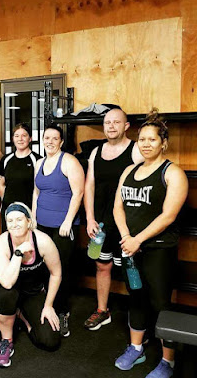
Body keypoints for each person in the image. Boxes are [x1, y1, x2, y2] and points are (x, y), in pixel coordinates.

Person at [113, 110, 188, 378]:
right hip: (131, 248)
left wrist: (138, 240)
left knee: (160, 303)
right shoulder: (129, 170)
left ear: (163, 143)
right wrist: (126, 237)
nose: (145, 144)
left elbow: (168, 216)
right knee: (135, 296)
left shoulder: (173, 173)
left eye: (152, 139)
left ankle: (168, 361)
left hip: (158, 250)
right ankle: (136, 348)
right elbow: (118, 207)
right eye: (141, 139)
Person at [83, 107, 143, 331]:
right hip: (100, 223)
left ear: (126, 126)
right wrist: (90, 218)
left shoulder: (136, 151)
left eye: (116, 122)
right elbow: (89, 186)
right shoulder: (95, 152)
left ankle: (139, 317)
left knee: (131, 269)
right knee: (102, 265)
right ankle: (102, 310)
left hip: (127, 225)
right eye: (107, 122)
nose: (111, 126)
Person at [0, 202, 61, 368]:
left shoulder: (43, 241)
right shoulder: (1, 243)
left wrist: (48, 305)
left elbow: (56, 274)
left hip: (33, 293)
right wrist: (18, 253)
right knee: (5, 293)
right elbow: (7, 282)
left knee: (50, 341)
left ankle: (22, 317)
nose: (14, 224)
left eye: (19, 219)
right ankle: (6, 340)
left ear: (28, 221)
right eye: (10, 221)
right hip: (8, 292)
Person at [32, 124, 84, 337]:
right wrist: (33, 218)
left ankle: (62, 312)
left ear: (61, 142)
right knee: (44, 266)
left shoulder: (69, 161)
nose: (50, 142)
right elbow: (36, 192)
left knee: (60, 268)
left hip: (62, 226)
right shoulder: (39, 162)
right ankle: (48, 305)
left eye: (55, 138)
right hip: (42, 224)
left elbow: (78, 192)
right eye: (47, 138)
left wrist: (68, 221)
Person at [0, 123, 42, 231]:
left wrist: (34, 211)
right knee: (9, 239)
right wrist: (7, 201)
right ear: (13, 139)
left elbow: (39, 188)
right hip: (9, 210)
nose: (20, 139)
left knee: (29, 240)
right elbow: (1, 182)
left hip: (29, 211)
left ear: (30, 138)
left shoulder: (37, 160)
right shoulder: (6, 159)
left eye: (24, 135)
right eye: (17, 136)